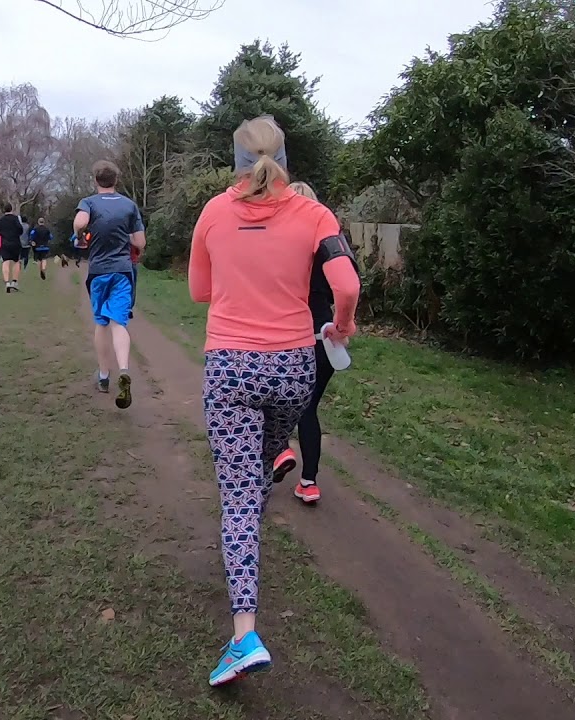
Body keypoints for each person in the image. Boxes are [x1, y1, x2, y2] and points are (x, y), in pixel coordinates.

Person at [188, 116, 360, 686]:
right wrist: (341, 324)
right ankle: (263, 487)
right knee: (258, 468)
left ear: (233, 159)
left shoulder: (213, 212)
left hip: (231, 367)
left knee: (238, 496)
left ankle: (244, 636)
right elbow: (348, 285)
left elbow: (200, 291)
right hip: (292, 370)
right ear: (285, 156)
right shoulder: (316, 214)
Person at [287, 181, 359, 505]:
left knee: (275, 404)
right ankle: (309, 482)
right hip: (324, 335)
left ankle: (274, 456)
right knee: (308, 408)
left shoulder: (279, 244)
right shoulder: (328, 244)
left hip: (286, 334)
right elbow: (346, 285)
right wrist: (343, 325)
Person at [74, 161, 145, 408]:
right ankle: (124, 369)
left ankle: (104, 376)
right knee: (119, 322)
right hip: (123, 271)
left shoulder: (89, 203)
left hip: (99, 272)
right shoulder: (129, 205)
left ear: (95, 180)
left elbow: (81, 223)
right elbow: (140, 242)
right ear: (116, 180)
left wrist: (81, 235)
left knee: (101, 323)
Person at [0, 203, 25, 293]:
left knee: (5, 262)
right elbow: (21, 230)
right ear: (11, 209)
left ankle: (7, 282)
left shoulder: (1, 220)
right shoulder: (15, 219)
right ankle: (14, 282)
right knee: (16, 262)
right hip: (15, 242)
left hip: (5, 243)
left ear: (4, 210)